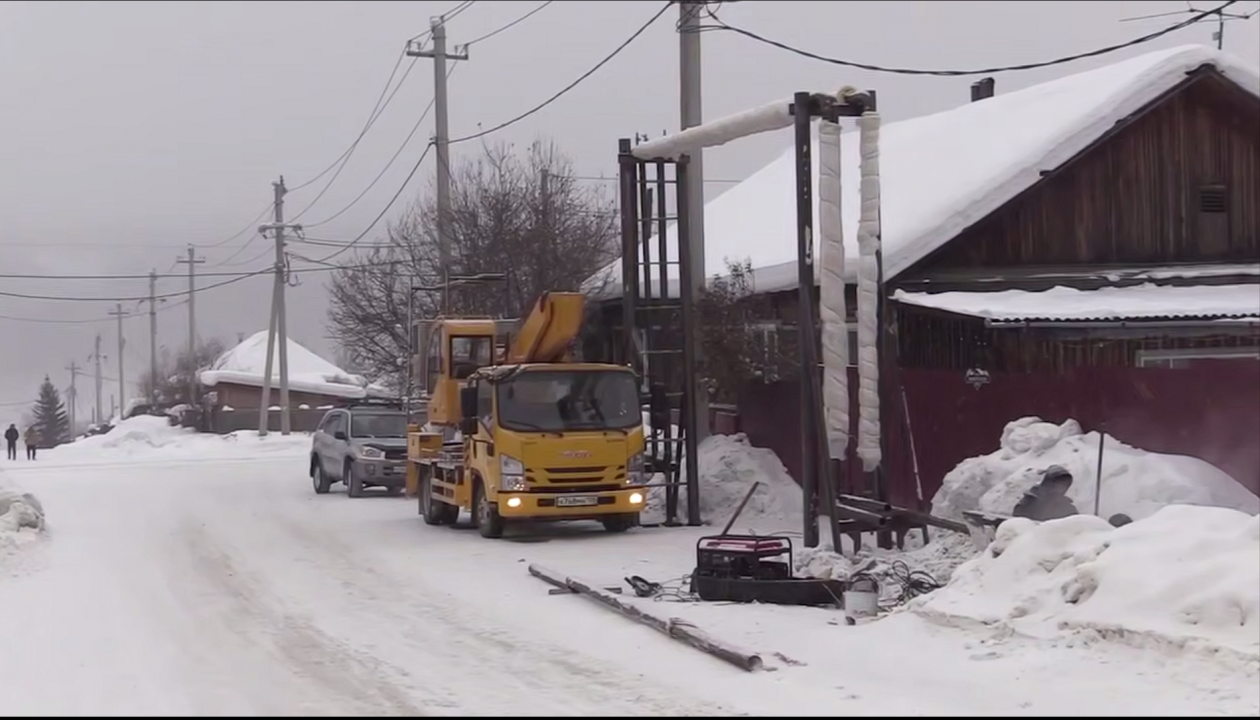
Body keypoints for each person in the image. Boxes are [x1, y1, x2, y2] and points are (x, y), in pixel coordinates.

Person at [1012, 464, 1079, 522]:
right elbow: (1018, 526)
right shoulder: (1029, 502)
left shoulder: (1067, 507)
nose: (1061, 488)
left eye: (1064, 485)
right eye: (1058, 484)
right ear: (1048, 483)